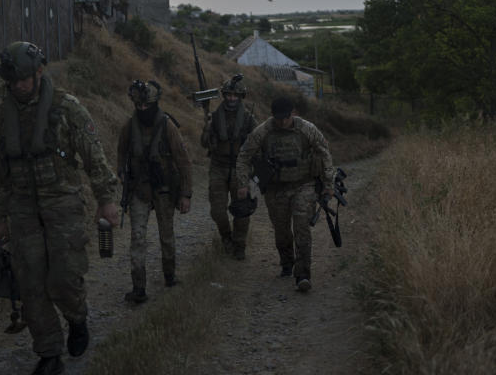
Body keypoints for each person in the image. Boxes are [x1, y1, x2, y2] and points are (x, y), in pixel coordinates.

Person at [0, 41, 120, 375]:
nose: (19, 86)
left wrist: (106, 201)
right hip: (22, 206)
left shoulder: (66, 108)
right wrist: (0, 216)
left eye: (24, 79)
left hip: (62, 202)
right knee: (30, 282)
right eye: (13, 81)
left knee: (62, 276)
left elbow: (94, 156)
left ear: (39, 72)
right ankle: (49, 352)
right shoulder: (2, 118)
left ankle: (77, 317)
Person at [235, 96, 334, 293]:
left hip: (303, 185)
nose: (282, 122)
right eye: (278, 118)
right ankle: (287, 262)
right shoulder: (262, 131)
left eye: (286, 118)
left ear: (293, 114)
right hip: (275, 189)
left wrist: (329, 184)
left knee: (302, 227)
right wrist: (242, 184)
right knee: (281, 231)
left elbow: (325, 154)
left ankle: (303, 274)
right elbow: (244, 156)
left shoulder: (307, 129)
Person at [117, 79, 193, 303]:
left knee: (166, 236)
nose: (142, 110)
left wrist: (185, 194)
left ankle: (169, 275)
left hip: (163, 189)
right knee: (138, 238)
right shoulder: (129, 127)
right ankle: (138, 286)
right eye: (138, 106)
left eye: (145, 106)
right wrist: (121, 173)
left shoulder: (167, 126)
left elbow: (183, 160)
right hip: (139, 189)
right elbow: (121, 153)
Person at [200, 74, 257, 259]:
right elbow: (204, 144)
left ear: (241, 97)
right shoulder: (215, 117)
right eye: (229, 95)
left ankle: (239, 245)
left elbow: (257, 143)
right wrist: (207, 127)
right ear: (224, 96)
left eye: (235, 95)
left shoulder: (248, 119)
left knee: (242, 209)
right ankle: (226, 237)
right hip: (218, 165)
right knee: (217, 210)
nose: (232, 99)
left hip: (240, 167)